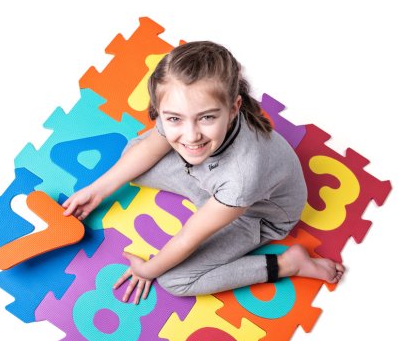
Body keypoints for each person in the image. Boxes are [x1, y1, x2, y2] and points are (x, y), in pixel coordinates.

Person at [63, 41, 345, 304]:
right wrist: (96, 191)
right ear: (160, 110)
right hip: (215, 182)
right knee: (134, 157)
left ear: (234, 108)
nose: (191, 135)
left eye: (207, 118)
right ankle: (203, 163)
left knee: (174, 280)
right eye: (174, 119)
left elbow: (189, 237)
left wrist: (148, 270)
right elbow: (151, 147)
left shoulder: (242, 177)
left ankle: (288, 265)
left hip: (255, 215)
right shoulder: (186, 108)